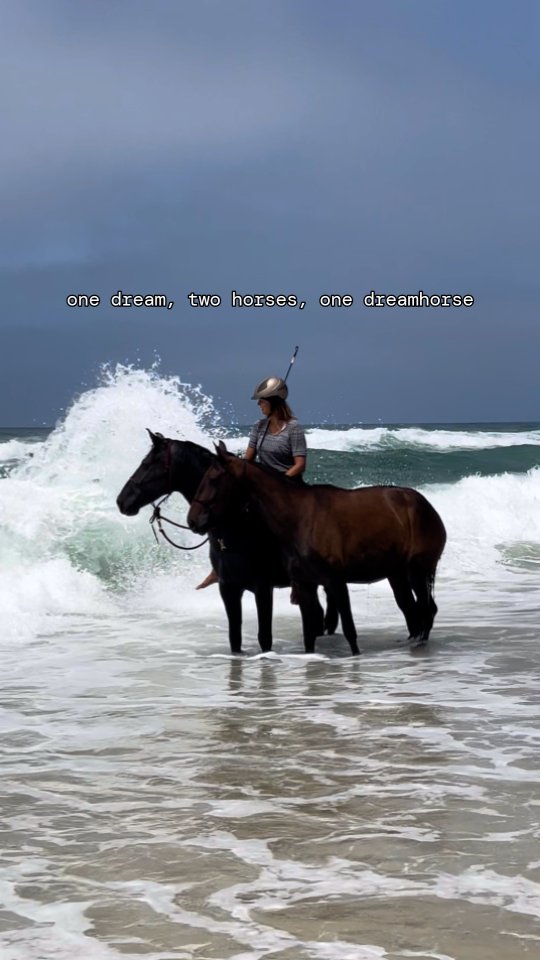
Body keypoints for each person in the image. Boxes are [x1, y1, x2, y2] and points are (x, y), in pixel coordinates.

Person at [195, 375, 307, 590]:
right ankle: (218, 566)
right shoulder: (259, 427)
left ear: (274, 402)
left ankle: (297, 575)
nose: (259, 405)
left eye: (262, 401)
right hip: (262, 487)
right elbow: (248, 459)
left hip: (289, 487)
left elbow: (300, 464)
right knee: (223, 512)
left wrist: (280, 483)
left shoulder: (293, 429)